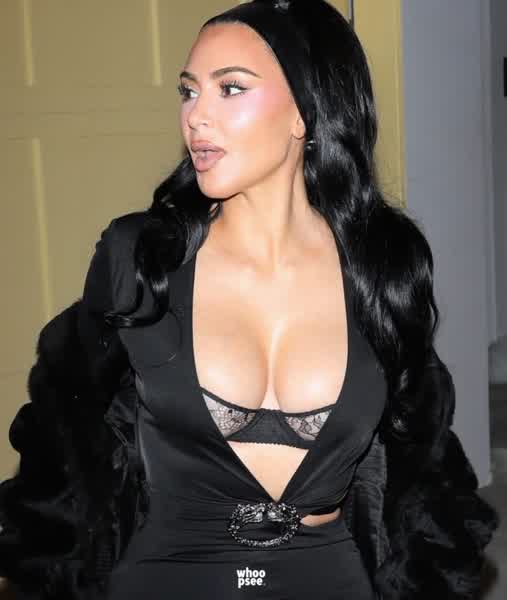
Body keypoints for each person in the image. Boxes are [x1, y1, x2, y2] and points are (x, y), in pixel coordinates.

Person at [0, 1, 499, 599]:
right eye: (188, 91)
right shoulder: (143, 258)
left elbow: (424, 465)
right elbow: (63, 442)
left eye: (230, 88)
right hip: (167, 578)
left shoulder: (382, 266)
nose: (196, 116)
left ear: (305, 112)